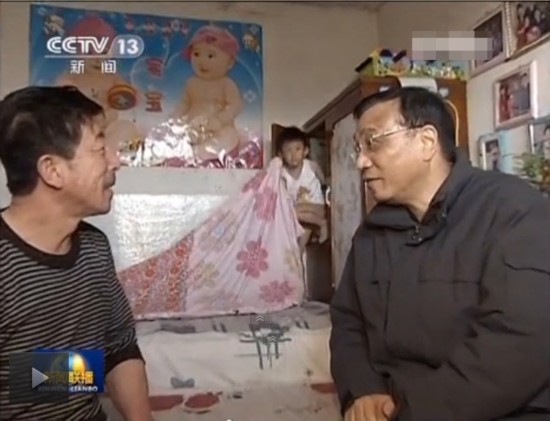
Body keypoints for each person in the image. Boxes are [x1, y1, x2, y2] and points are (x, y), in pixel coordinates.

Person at [330, 86, 550, 421]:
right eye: (358, 148)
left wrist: (412, 413)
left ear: (426, 141)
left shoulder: (514, 211)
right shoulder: (371, 234)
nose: (361, 161)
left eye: (373, 142)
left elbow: (521, 343)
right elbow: (348, 321)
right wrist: (362, 389)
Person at [0, 86, 153, 421]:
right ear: (52, 170)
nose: (116, 160)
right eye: (100, 148)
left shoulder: (94, 248)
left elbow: (117, 348)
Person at [173, 25, 243, 163]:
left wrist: (220, 120)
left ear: (229, 62)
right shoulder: (191, 83)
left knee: (229, 136)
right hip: (194, 128)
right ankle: (191, 151)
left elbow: (235, 106)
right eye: (196, 54)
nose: (202, 61)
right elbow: (184, 103)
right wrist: (177, 117)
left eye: (210, 56)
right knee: (177, 137)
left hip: (218, 128)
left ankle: (202, 152)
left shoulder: (226, 84)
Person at [276, 127, 328, 253]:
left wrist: (327, 188)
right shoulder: (282, 174)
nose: (293, 155)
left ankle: (322, 223)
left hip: (317, 207)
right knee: (301, 238)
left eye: (298, 149)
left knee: (292, 211)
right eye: (288, 150)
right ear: (281, 154)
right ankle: (298, 257)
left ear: (305, 151)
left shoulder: (311, 166)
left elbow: (324, 180)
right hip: (301, 215)